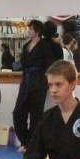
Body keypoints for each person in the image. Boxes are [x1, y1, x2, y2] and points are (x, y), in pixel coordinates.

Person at [13, 20, 51, 151]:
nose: (28, 31)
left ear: (37, 31)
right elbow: (22, 63)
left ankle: (32, 145)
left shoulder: (45, 46)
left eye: (30, 29)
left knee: (36, 115)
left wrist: (47, 82)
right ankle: (25, 141)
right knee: (18, 113)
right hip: (26, 81)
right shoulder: (26, 45)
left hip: (39, 82)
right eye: (28, 28)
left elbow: (49, 65)